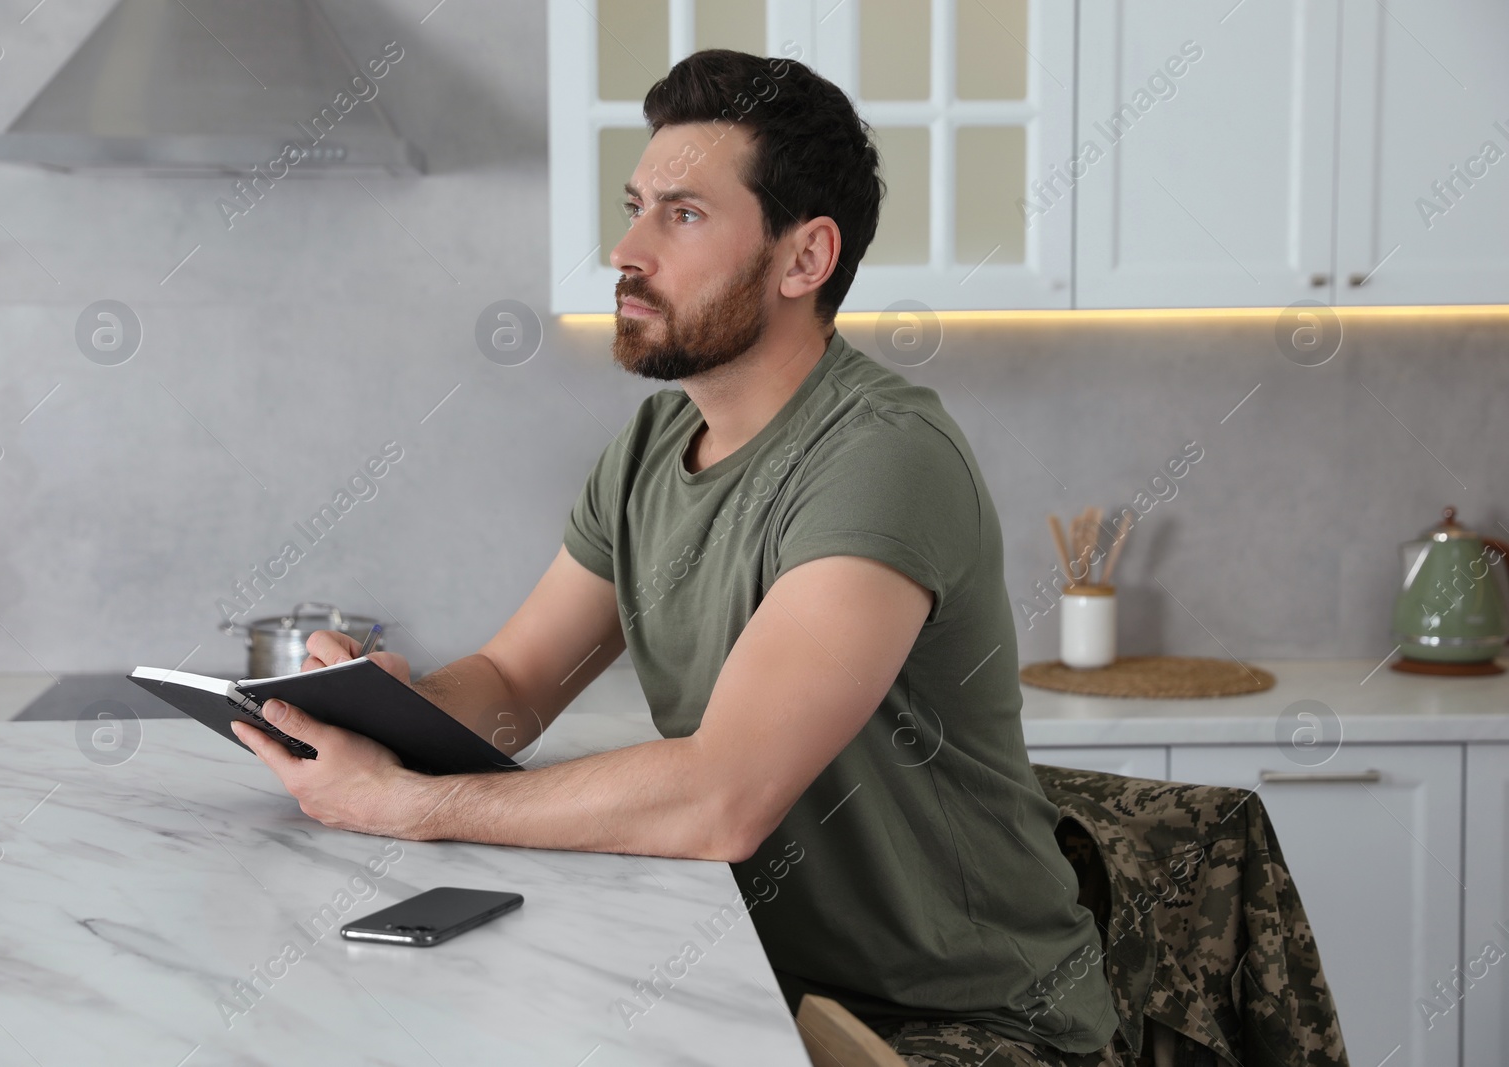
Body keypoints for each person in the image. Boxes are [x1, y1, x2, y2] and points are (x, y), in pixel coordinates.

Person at [231, 49, 1120, 1065]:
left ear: (803, 259)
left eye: (683, 214)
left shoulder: (881, 458)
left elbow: (721, 796)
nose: (626, 248)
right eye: (634, 205)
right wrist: (394, 709)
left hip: (958, 1026)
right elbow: (518, 681)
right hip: (759, 979)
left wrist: (412, 802)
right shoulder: (657, 443)